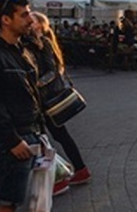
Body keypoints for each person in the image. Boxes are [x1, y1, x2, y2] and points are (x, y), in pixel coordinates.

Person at [0, 0, 45, 212]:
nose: (31, 19)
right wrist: (12, 138)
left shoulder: (19, 50)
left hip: (26, 129)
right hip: (10, 137)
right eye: (24, 15)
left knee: (11, 198)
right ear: (6, 19)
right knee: (7, 200)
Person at [25, 12, 91, 196]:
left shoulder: (43, 42)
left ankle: (60, 177)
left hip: (46, 99)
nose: (29, 22)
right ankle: (79, 170)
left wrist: (36, 83)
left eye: (32, 20)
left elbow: (53, 70)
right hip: (42, 99)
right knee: (55, 136)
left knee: (48, 138)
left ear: (40, 24)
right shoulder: (31, 42)